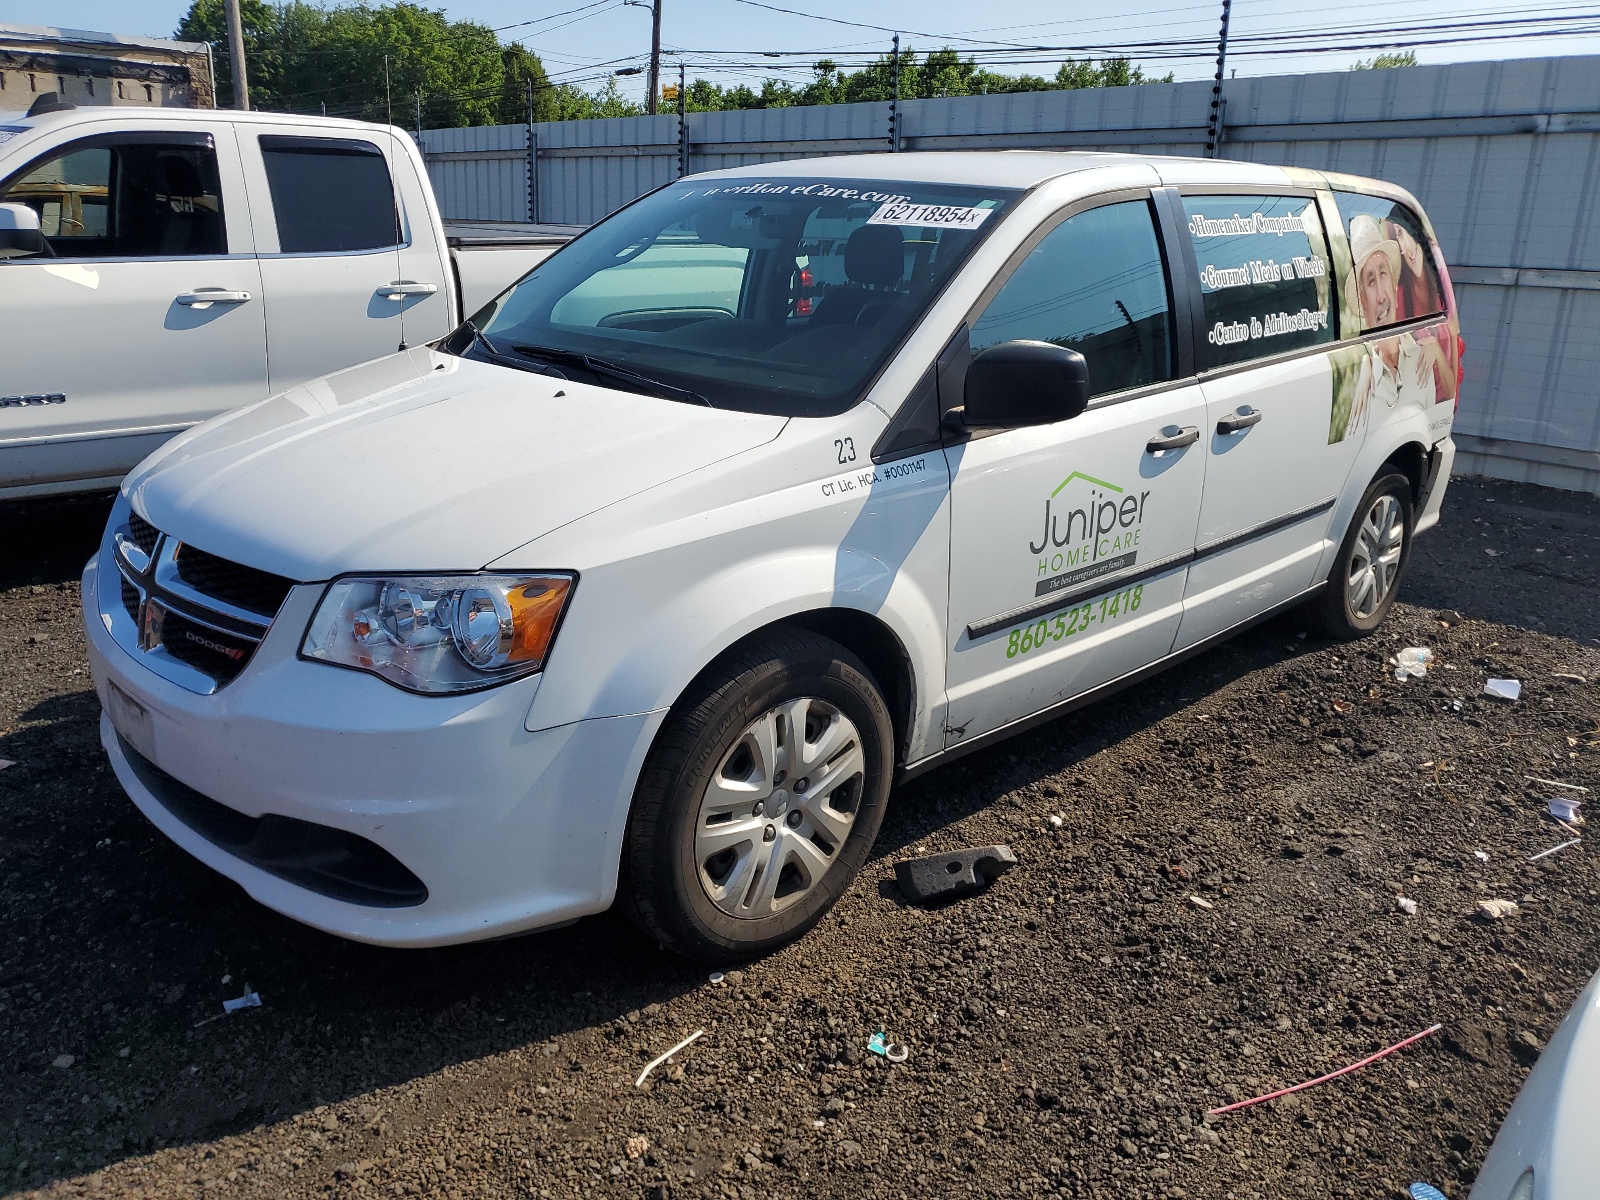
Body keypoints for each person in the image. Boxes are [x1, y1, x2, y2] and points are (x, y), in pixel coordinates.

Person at [1344, 214, 1454, 433]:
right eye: (1370, 281)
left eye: (1383, 274)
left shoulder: (1419, 359)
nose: (1381, 296)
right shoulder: (1359, 396)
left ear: (1395, 285)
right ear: (1362, 304)